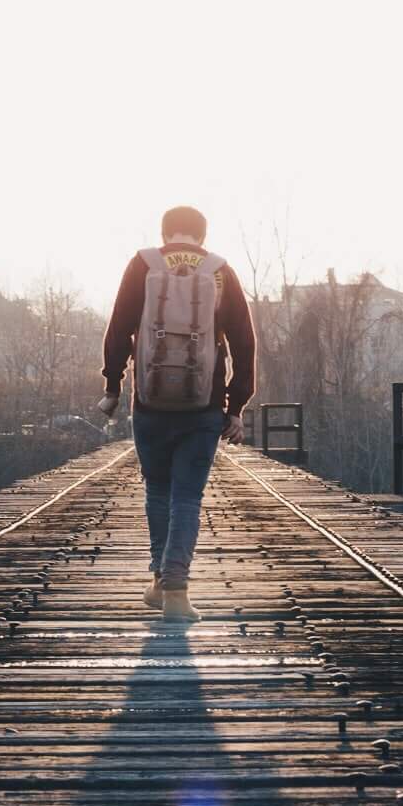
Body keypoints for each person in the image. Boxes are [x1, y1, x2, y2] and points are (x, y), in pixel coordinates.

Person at [98, 205, 257, 622]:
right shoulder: (220, 270)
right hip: (203, 405)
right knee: (187, 496)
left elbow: (118, 330)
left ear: (166, 233)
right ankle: (175, 591)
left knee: (158, 491)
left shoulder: (143, 264)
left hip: (149, 403)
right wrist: (236, 406)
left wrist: (113, 386)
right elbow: (244, 342)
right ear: (201, 237)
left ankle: (160, 581)